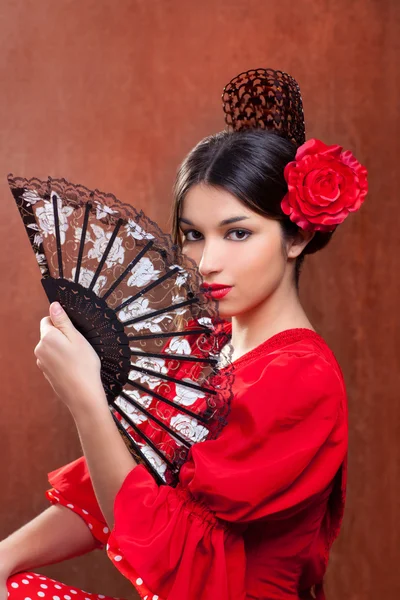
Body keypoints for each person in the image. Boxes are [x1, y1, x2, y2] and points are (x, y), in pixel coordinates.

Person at [0, 69, 368, 600]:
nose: (207, 262)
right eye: (193, 235)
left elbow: (172, 549)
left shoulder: (300, 380)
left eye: (238, 233)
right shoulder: (213, 349)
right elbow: (128, 474)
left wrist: (86, 400)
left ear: (297, 237)